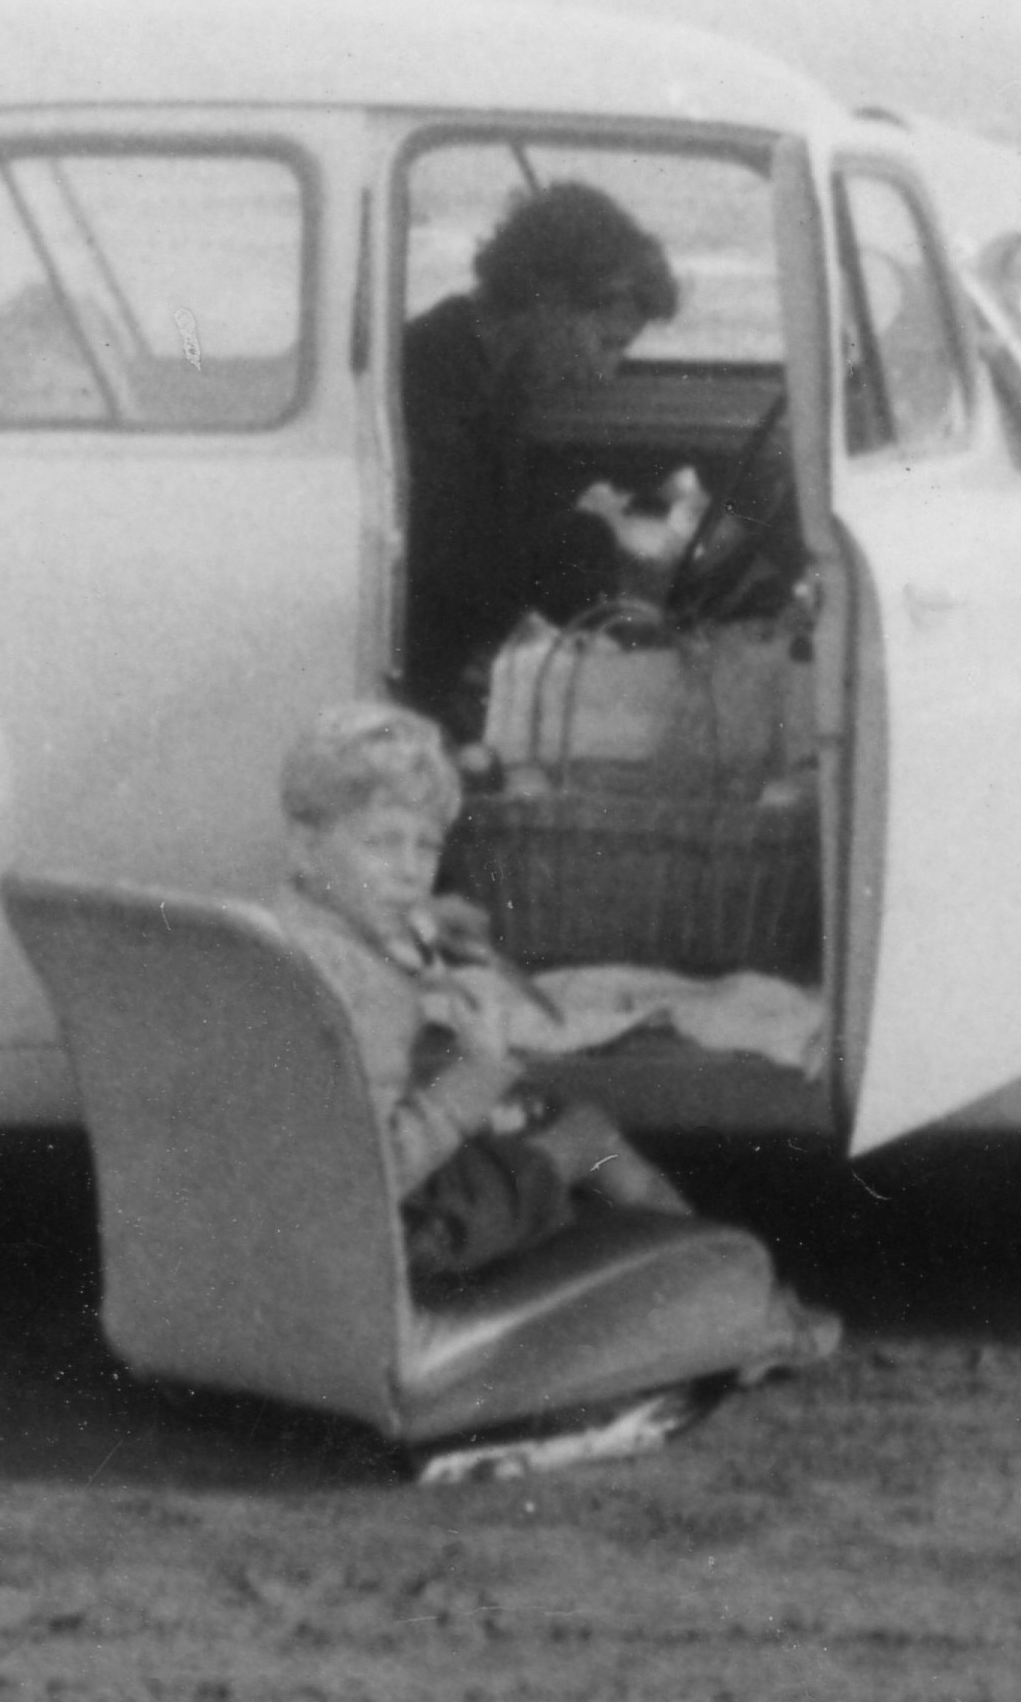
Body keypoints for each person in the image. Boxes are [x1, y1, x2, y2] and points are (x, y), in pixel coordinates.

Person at [269, 703, 701, 1283]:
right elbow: (372, 1176)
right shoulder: (365, 988)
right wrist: (479, 1071)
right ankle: (736, 1305)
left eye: (425, 847)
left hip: (278, 1219)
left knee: (530, 1117)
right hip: (394, 1240)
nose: (410, 874)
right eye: (382, 843)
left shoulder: (279, 932)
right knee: (586, 1129)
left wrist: (413, 921)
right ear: (305, 845)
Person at [397, 181, 700, 736]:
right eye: (607, 343)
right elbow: (454, 562)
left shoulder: (496, 371)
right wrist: (595, 553)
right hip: (423, 671)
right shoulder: (430, 373)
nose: (606, 372)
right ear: (552, 301)